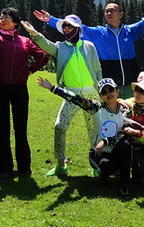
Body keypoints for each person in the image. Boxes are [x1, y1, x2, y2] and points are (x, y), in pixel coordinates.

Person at [33, 0, 144, 98]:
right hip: (110, 87)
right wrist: (50, 20)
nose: (108, 13)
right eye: (106, 11)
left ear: (121, 13)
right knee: (112, 121)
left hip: (131, 85)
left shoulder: (130, 31)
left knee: (131, 119)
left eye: (112, 10)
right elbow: (72, 26)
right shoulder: (97, 33)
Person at [0, 7, 49, 178]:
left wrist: (30, 70)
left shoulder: (25, 41)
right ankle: (5, 168)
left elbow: (43, 56)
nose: (2, 19)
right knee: (2, 128)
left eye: (7, 17)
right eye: (1, 17)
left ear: (15, 22)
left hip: (19, 89)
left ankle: (24, 167)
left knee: (21, 129)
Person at [22, 15, 102, 177]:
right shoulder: (61, 47)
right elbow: (47, 45)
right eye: (64, 26)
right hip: (71, 94)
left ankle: (97, 166)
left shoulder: (89, 46)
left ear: (77, 28)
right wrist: (35, 34)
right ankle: (60, 165)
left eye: (69, 26)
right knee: (60, 126)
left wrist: (101, 91)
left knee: (94, 130)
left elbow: (98, 69)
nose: (66, 29)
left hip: (91, 94)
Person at [37, 76, 133, 195]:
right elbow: (75, 98)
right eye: (104, 92)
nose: (108, 94)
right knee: (108, 167)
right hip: (98, 152)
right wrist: (53, 88)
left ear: (117, 91)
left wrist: (105, 141)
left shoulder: (125, 111)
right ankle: (104, 174)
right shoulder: (96, 108)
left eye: (111, 90)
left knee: (125, 144)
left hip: (115, 149)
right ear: (100, 96)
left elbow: (125, 133)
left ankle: (125, 184)